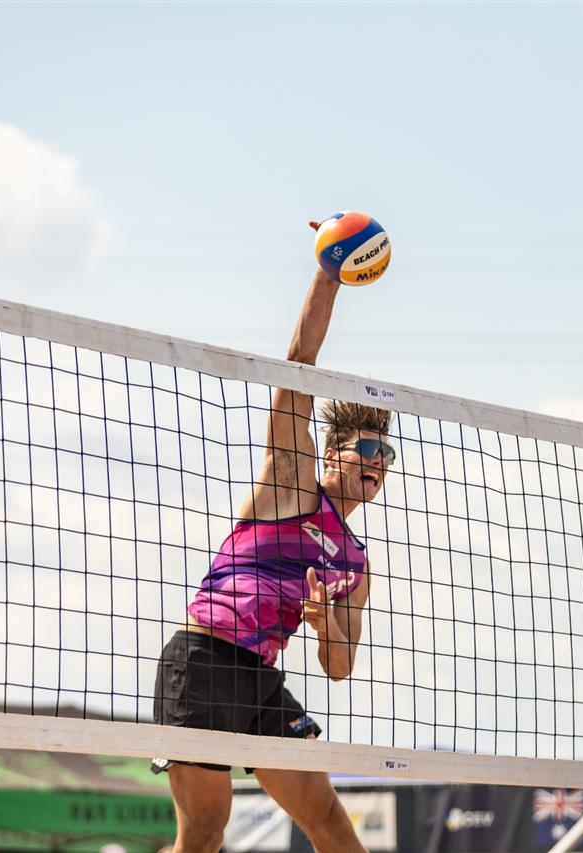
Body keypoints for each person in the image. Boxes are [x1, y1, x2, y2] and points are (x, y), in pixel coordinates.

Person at [152, 224, 398, 853]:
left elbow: (339, 668)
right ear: (332, 453)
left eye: (386, 455)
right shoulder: (291, 485)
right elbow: (298, 368)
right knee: (203, 833)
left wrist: (324, 624)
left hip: (260, 675)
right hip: (204, 659)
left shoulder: (355, 563)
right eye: (366, 449)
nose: (377, 463)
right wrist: (329, 274)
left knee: (330, 821)